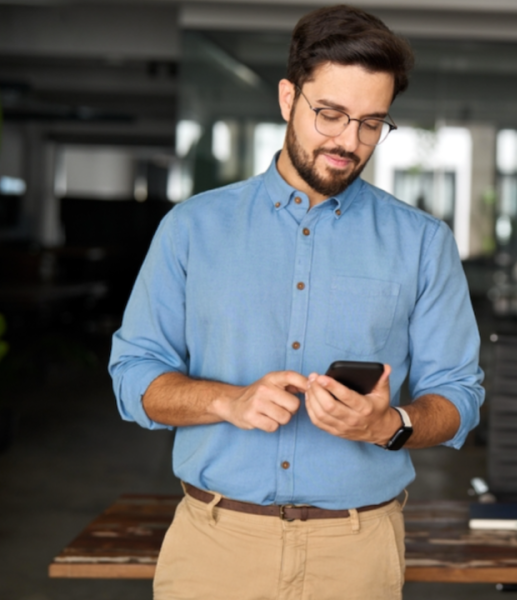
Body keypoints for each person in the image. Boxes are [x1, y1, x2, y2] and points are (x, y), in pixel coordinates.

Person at [109, 6, 485, 599]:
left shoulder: (422, 243)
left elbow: (460, 395)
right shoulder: (192, 228)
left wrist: (390, 425)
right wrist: (228, 401)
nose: (348, 141)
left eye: (371, 123)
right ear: (288, 98)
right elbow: (134, 377)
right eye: (330, 114)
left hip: (357, 551)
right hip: (214, 547)